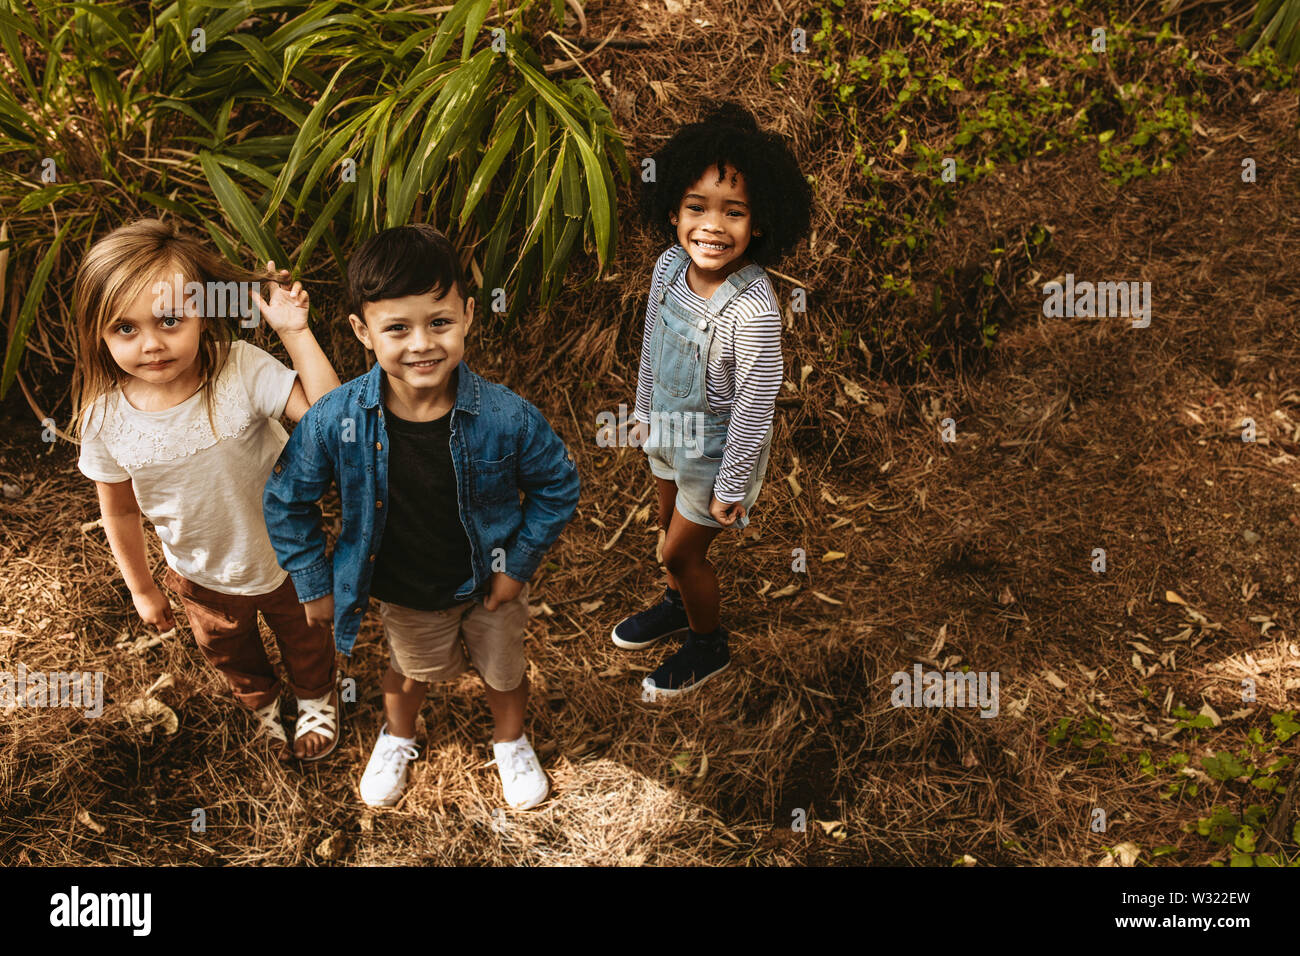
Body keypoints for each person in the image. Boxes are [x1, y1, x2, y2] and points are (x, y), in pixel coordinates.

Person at [263, 224, 579, 809]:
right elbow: (287, 498)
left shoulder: (506, 417)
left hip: (493, 584)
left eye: (439, 322)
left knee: (504, 672)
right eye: (397, 329)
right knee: (410, 670)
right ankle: (398, 735)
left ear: (467, 316)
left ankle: (511, 741)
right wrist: (313, 581)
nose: (422, 344)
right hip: (406, 590)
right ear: (363, 332)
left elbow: (557, 485)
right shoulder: (337, 419)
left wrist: (519, 565)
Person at [74, 219, 342, 760]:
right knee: (228, 649)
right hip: (200, 573)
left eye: (170, 320)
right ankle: (261, 702)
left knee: (308, 638)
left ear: (202, 312)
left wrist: (294, 333)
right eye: (125, 329)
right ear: (98, 333)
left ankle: (315, 696)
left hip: (290, 559)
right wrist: (142, 589)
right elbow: (120, 512)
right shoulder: (104, 419)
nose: (151, 344)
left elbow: (328, 420)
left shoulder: (240, 370)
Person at [612, 102, 813, 698]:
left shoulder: (751, 310)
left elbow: (755, 406)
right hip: (668, 434)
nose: (712, 226)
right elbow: (651, 342)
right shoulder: (668, 267)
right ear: (673, 207)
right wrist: (645, 409)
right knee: (663, 524)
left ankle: (707, 644)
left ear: (760, 222)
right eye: (697, 207)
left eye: (735, 212)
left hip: (719, 454)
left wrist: (731, 486)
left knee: (679, 553)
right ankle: (677, 605)